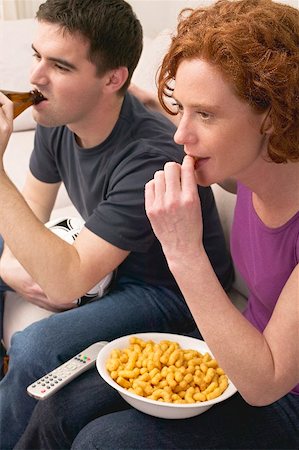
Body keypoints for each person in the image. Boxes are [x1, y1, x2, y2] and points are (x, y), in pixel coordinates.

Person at [28, 0, 297, 448]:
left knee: (104, 440)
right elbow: (191, 117)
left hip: (281, 394)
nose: (179, 136)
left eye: (205, 115)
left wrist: (183, 250)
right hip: (235, 351)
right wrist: (134, 97)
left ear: (272, 115)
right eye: (182, 109)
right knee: (59, 405)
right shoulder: (246, 168)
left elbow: (266, 383)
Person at [0, 0, 234, 448]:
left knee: (36, 348)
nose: (35, 78)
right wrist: (10, 268)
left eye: (60, 66)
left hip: (168, 292)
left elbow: (66, 283)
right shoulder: (59, 119)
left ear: (113, 79)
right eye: (37, 57)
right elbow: (30, 211)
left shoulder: (150, 157)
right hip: (105, 256)